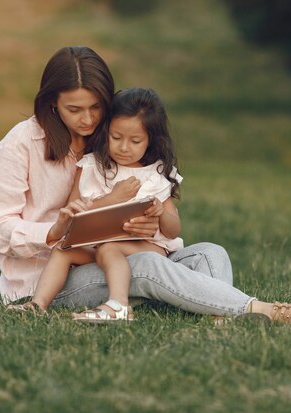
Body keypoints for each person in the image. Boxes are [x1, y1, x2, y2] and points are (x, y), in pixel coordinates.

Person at [0, 45, 291, 327]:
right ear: (52, 103)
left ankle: (219, 316)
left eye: (96, 108)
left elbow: (146, 209)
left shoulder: (111, 139)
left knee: (209, 254)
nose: (88, 120)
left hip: (115, 256)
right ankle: (270, 311)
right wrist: (52, 231)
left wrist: (146, 222)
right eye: (74, 110)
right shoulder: (23, 143)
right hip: (51, 280)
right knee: (146, 264)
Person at [27, 87, 184, 323]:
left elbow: (174, 230)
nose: (123, 147)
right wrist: (112, 200)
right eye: (116, 137)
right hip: (97, 246)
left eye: (135, 141)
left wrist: (161, 214)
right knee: (62, 250)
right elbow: (73, 214)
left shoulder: (155, 174)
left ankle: (118, 305)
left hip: (146, 249)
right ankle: (36, 305)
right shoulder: (91, 167)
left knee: (109, 248)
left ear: (151, 140)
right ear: (106, 131)